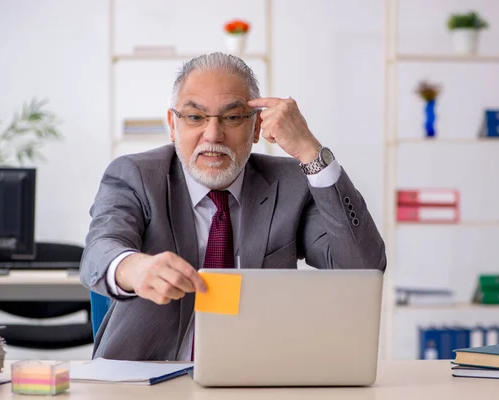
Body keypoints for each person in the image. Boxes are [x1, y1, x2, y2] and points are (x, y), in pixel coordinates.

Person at [79, 52, 386, 361]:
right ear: (173, 125)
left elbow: (362, 268)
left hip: (254, 377)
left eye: (232, 117)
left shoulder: (289, 185)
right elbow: (99, 250)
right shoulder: (135, 175)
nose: (212, 135)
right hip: (145, 378)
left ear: (255, 129)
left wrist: (310, 150)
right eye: (195, 117)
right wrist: (135, 267)